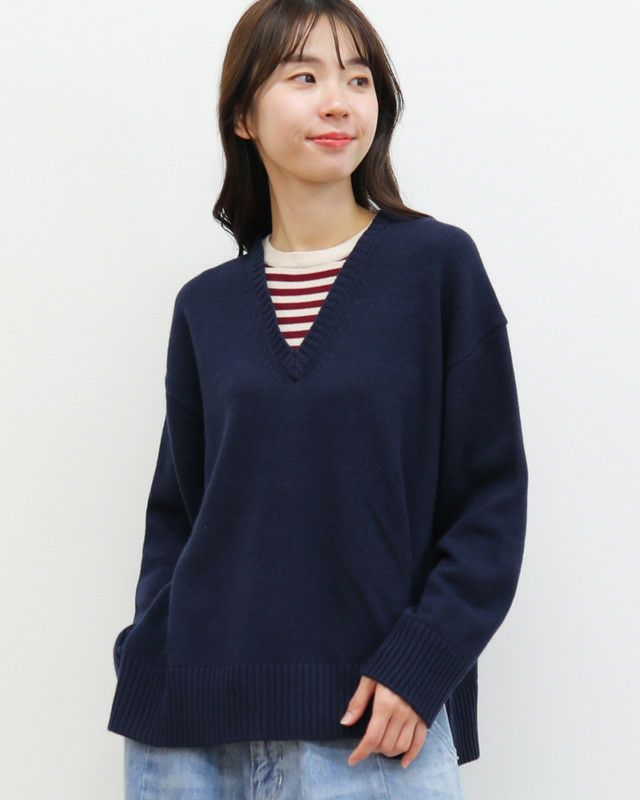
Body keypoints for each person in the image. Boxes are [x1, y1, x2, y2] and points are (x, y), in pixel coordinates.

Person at [107, 2, 528, 798]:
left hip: (373, 731)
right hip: (187, 734)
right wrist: (145, 650)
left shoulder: (437, 269)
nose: (338, 102)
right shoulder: (206, 307)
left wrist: (423, 662)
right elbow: (179, 516)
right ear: (242, 116)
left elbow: (491, 500)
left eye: (358, 80)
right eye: (304, 77)